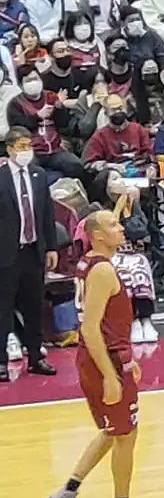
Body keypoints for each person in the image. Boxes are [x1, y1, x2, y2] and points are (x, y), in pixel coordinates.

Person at [42, 211, 159, 498]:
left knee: (115, 429)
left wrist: (126, 358)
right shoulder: (104, 270)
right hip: (102, 360)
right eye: (112, 225)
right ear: (97, 236)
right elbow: (90, 329)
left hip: (107, 356)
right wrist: (111, 374)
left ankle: (66, 493)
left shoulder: (87, 263)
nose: (120, 228)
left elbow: (105, 325)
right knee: (125, 433)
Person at [0, 127, 60, 381]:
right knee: (3, 309)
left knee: (34, 306)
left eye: (29, 146)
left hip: (33, 250)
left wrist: (51, 246)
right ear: (11, 148)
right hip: (6, 253)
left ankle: (36, 357)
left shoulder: (39, 175)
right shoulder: (1, 177)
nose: (27, 151)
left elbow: (47, 214)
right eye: (22, 146)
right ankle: (1, 361)